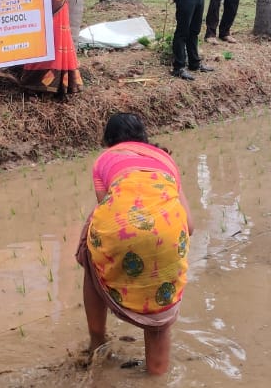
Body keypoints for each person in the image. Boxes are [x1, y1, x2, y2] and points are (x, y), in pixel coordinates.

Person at [78, 113, 193, 376]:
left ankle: (98, 342)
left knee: (90, 255)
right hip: (169, 232)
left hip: (121, 230)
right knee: (159, 319)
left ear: (108, 141)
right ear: (144, 137)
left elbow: (110, 209)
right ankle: (156, 374)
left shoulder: (104, 160)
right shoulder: (166, 160)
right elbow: (191, 225)